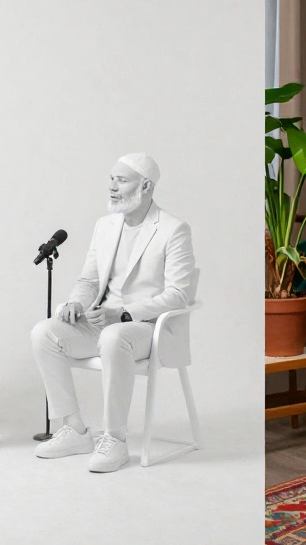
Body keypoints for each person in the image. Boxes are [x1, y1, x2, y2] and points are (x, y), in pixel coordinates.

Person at [31, 153, 195, 472]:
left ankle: (115, 440)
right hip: (103, 322)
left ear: (145, 186)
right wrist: (77, 303)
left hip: (149, 327)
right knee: (44, 333)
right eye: (111, 179)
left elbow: (179, 294)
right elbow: (89, 280)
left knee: (113, 336)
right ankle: (75, 430)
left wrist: (123, 314)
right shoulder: (105, 225)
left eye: (121, 180)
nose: (112, 187)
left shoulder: (174, 229)